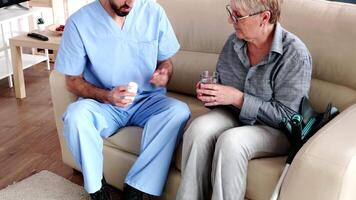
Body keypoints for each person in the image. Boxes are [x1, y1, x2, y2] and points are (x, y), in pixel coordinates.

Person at [55, 0, 191, 200]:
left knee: (178, 111)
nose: (129, 2)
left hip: (147, 101)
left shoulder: (153, 11)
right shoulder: (79, 23)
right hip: (104, 104)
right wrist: (107, 96)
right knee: (75, 116)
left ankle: (136, 188)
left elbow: (166, 61)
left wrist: (164, 73)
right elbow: (72, 81)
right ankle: (97, 189)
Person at [176, 0, 312, 199]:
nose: (230, 20)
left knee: (231, 142)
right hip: (234, 115)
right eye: (231, 12)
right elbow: (223, 86)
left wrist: (238, 98)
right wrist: (212, 94)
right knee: (198, 130)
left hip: (276, 130)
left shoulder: (294, 54)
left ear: (264, 18)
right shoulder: (234, 43)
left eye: (238, 16)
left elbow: (288, 117)